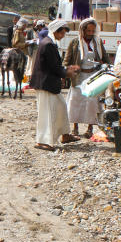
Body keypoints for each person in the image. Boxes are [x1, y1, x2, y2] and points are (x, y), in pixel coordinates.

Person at [29, 19, 81, 150]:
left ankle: (64, 134)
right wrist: (67, 72)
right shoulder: (48, 44)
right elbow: (54, 67)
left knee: (61, 107)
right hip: (45, 83)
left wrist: (65, 71)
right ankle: (43, 141)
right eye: (62, 32)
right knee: (46, 113)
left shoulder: (49, 42)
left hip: (49, 83)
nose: (63, 35)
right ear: (56, 31)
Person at [63, 17, 108, 138]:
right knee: (76, 101)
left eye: (92, 31)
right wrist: (65, 72)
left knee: (92, 102)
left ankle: (90, 128)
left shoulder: (97, 42)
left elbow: (105, 58)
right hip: (78, 76)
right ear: (82, 30)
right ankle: (75, 128)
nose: (90, 34)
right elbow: (67, 60)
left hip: (93, 76)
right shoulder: (75, 43)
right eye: (88, 31)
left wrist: (105, 65)